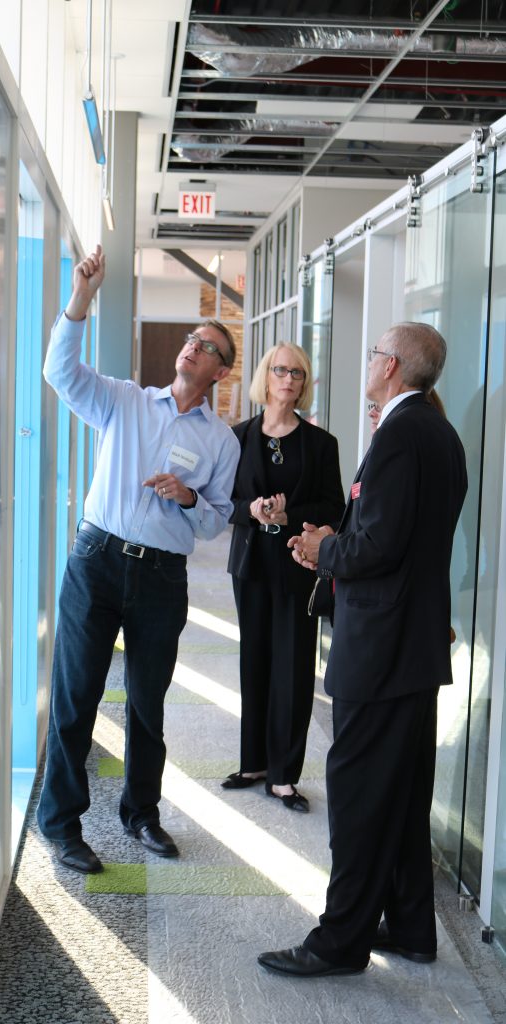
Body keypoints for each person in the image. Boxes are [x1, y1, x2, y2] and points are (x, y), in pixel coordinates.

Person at [259, 322, 467, 977]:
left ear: (394, 369)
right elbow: (394, 535)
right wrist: (336, 538)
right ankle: (407, 926)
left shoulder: (404, 434)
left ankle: (338, 942)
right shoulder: (434, 432)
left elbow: (379, 549)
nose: (369, 358)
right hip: (407, 642)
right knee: (399, 794)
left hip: (381, 647)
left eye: (376, 351)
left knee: (354, 794)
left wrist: (326, 549)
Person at [36, 244, 241, 874]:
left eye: (206, 346)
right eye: (190, 339)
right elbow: (60, 374)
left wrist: (187, 498)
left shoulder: (219, 441)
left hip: (160, 578)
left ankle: (140, 815)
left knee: (147, 705)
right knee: (76, 698)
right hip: (96, 562)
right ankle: (63, 825)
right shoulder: (124, 401)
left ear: (220, 372)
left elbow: (216, 519)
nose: (191, 348)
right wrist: (81, 300)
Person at [222, 345, 344, 812]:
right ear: (265, 378)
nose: (289, 378)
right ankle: (253, 762)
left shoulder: (321, 444)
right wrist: (250, 510)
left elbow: (334, 506)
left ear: (303, 382)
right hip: (251, 565)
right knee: (254, 660)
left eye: (298, 372)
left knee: (292, 667)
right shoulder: (237, 438)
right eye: (280, 370)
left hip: (298, 566)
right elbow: (223, 501)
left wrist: (291, 514)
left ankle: (283, 775)